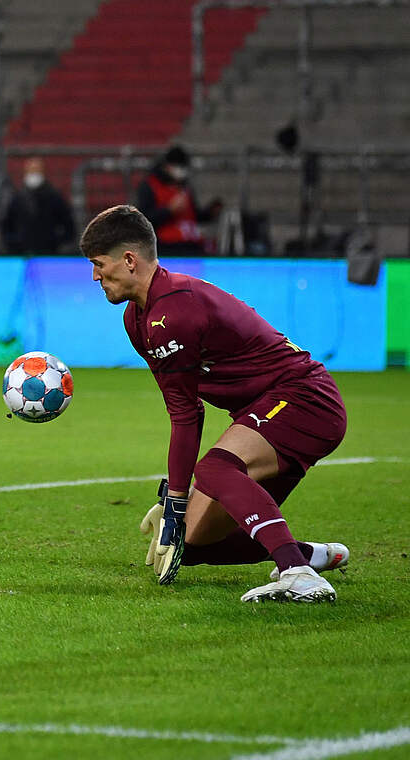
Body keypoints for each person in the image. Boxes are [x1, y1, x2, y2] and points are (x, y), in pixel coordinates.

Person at [80, 205, 348, 603]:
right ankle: (313, 555)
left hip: (304, 397)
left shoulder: (175, 309)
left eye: (99, 264)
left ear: (130, 260)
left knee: (217, 469)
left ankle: (298, 575)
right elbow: (181, 407)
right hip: (269, 410)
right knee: (193, 543)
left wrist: (175, 499)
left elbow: (188, 416)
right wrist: (177, 509)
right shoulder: (137, 321)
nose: (95, 276)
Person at [134, 145, 222, 256]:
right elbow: (144, 220)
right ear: (166, 166)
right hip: (167, 246)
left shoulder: (185, 188)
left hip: (191, 244)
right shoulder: (150, 186)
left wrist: (209, 213)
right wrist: (169, 210)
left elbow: (193, 215)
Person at [1, 157, 74, 255]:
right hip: (22, 251)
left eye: (37, 171)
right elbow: (7, 225)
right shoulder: (17, 198)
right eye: (31, 171)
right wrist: (14, 243)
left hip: (49, 251)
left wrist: (57, 242)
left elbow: (68, 223)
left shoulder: (54, 197)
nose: (34, 175)